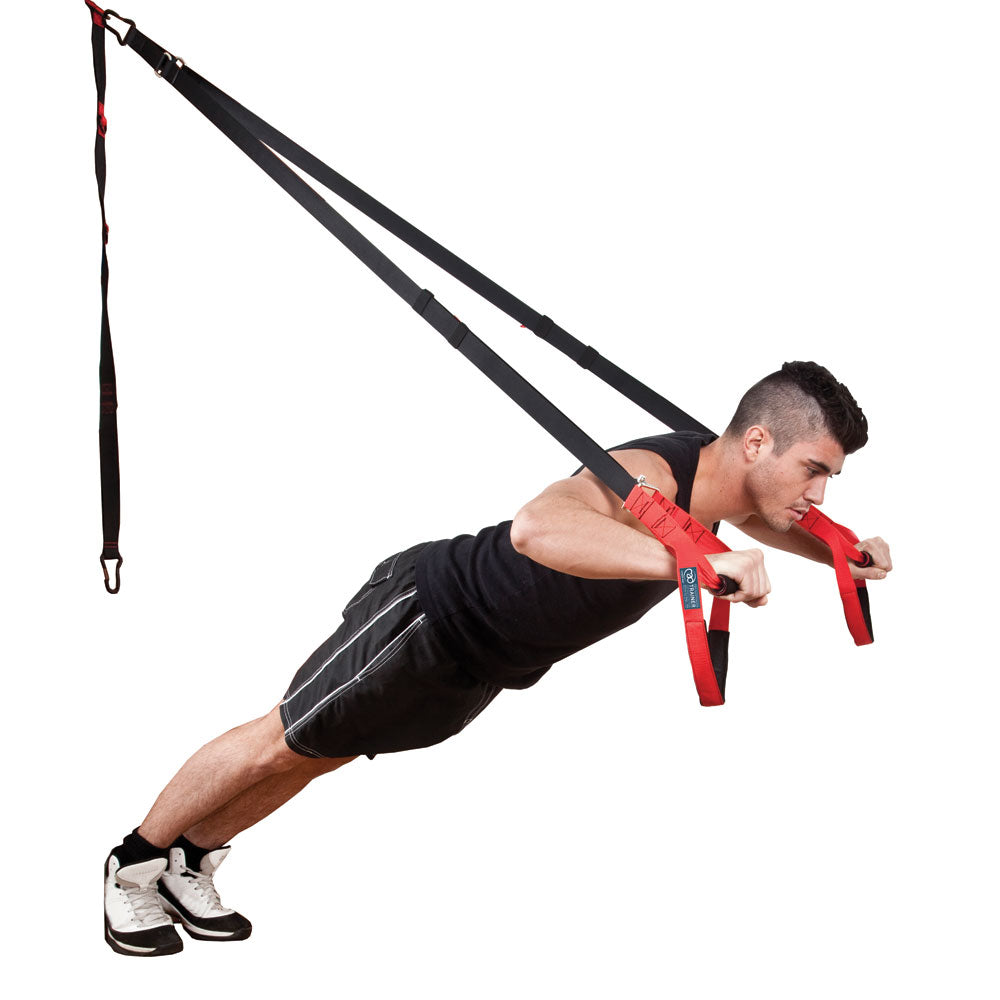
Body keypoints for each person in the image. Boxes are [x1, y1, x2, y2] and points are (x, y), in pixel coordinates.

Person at [103, 360, 892, 956]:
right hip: (427, 614)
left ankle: (190, 861)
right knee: (280, 737)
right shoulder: (651, 476)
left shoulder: (723, 483)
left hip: (480, 663)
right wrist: (687, 566)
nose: (819, 495)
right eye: (813, 469)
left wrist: (838, 556)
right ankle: (132, 864)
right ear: (758, 441)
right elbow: (535, 528)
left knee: (317, 755)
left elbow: (765, 519)